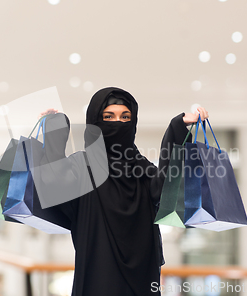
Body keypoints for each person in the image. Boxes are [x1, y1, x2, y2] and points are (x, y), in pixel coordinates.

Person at [38, 87, 208, 296]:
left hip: (141, 280)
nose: (118, 123)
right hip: (97, 277)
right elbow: (53, 184)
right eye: (108, 116)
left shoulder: (142, 170)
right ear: (95, 122)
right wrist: (53, 129)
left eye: (125, 117)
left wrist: (178, 128)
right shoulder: (82, 168)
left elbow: (167, 186)